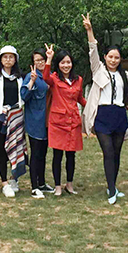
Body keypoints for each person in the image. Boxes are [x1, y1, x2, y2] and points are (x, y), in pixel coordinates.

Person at [83, 15, 128, 204]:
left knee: (116, 153)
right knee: (108, 152)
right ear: (105, 57)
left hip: (119, 115)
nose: (113, 60)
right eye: (110, 57)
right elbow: (92, 50)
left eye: (117, 57)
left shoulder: (124, 75)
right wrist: (89, 30)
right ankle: (111, 190)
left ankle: (113, 186)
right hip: (102, 116)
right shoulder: (98, 70)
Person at [43, 44, 86, 197]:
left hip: (73, 122)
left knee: (71, 155)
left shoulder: (78, 80)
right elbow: (45, 77)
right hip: (58, 122)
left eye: (68, 62)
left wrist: (92, 107)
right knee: (57, 155)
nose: (66, 65)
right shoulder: (54, 79)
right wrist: (49, 58)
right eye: (62, 62)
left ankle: (69, 184)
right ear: (58, 64)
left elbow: (80, 98)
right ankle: (57, 186)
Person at [0, 45, 27, 198]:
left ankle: (14, 178)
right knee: (2, 149)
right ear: (0, 59)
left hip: (16, 118)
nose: (8, 60)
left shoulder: (20, 77)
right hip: (1, 118)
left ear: (15, 59)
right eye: (5, 57)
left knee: (15, 148)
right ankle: (4, 183)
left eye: (11, 57)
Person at [21, 49, 54, 199]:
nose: (40, 62)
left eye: (42, 59)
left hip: (47, 121)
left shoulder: (49, 76)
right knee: (35, 154)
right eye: (37, 60)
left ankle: (42, 183)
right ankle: (34, 187)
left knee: (43, 153)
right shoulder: (31, 76)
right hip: (35, 120)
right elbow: (24, 96)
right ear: (33, 62)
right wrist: (32, 82)